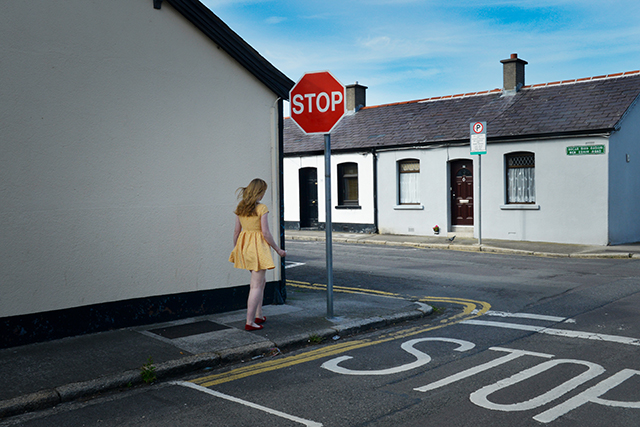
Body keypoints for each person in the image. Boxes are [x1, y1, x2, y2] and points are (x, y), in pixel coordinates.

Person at [229, 178, 286, 331]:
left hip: (244, 248)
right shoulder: (262, 208)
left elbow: (236, 232)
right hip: (257, 249)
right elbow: (265, 233)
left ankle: (259, 315)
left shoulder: (240, 207)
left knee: (261, 282)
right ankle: (250, 322)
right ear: (259, 192)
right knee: (255, 286)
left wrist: (237, 250)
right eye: (263, 192)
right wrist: (278, 249)